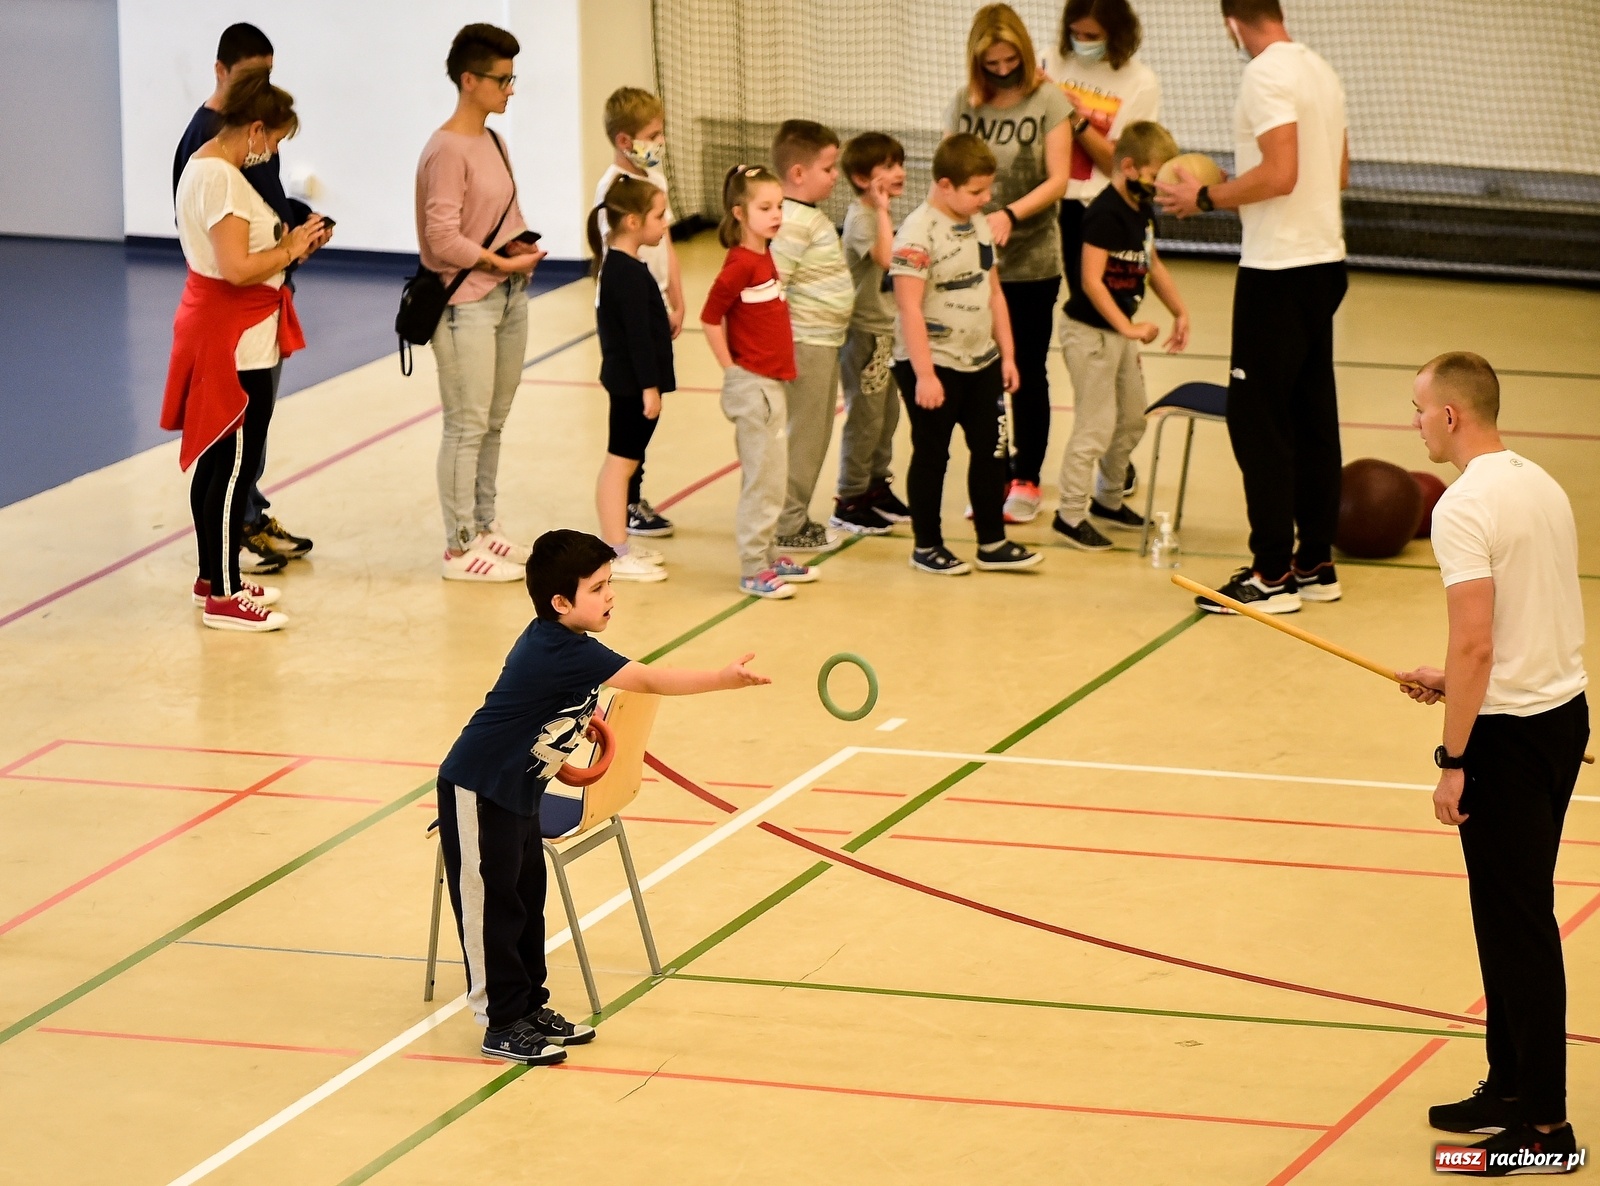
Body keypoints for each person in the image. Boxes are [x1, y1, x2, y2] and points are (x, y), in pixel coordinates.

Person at [436, 529, 772, 1065]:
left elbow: (542, 714)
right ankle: (499, 1023)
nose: (610, 595)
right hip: (479, 791)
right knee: (492, 911)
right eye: (598, 588)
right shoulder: (559, 650)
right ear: (561, 602)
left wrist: (574, 732)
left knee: (526, 902)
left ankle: (527, 1007)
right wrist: (724, 678)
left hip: (520, 791)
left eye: (609, 583)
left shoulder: (568, 651)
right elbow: (651, 679)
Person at [1398, 353, 1588, 1174]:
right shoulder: (1539, 481)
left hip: (1508, 743)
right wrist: (1460, 684)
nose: (1413, 422)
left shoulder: (1462, 506)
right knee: (1508, 917)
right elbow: (1516, 625)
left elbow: (1474, 638)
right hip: (1559, 717)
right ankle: (1509, 1088)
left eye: (1417, 409)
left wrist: (1455, 755)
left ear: (1451, 416)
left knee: (1519, 930)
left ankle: (1547, 1132)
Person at [1160, 0, 1349, 616]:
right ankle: (1314, 563)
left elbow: (1281, 173)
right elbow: (1337, 173)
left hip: (1278, 271)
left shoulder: (1265, 73)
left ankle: (1270, 575)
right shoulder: (1320, 69)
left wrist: (1205, 195)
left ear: (1232, 22)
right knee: (1312, 414)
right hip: (1324, 262)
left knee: (1258, 419)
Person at [164, 68, 327, 632]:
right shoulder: (223, 179)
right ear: (255, 129)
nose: (273, 152)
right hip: (235, 338)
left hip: (235, 331)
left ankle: (216, 576)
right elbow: (236, 269)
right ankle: (225, 597)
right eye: (275, 141)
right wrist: (291, 249)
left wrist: (287, 248)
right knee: (232, 465)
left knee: (218, 461)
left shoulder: (211, 169)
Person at [416, 23, 547, 582]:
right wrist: (498, 263)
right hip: (465, 303)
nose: (510, 89)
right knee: (466, 424)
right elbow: (442, 239)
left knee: (493, 420)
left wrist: (517, 250)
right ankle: (458, 544)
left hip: (507, 295)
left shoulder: (494, 140)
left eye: (513, 78)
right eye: (502, 79)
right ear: (469, 81)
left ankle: (485, 527)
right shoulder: (446, 150)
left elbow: (495, 219)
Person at [890, 134, 1041, 577]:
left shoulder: (976, 221)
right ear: (944, 184)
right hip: (933, 363)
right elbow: (908, 308)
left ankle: (992, 541)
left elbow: (993, 292)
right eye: (976, 191)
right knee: (933, 454)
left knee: (993, 451)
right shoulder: (917, 234)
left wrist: (1007, 355)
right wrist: (925, 375)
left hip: (982, 359)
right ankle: (927, 545)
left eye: (987, 190)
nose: (986, 198)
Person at [946, 3, 1072, 526]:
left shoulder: (1048, 100)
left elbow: (1058, 179)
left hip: (1032, 260)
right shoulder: (965, 103)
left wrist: (1009, 215)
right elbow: (951, 170)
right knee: (984, 372)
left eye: (1008, 61)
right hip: (976, 263)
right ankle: (991, 475)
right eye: (991, 63)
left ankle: (1027, 476)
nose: (1001, 70)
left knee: (1027, 370)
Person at [1052, 121, 1189, 550]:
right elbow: (1091, 281)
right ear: (1128, 167)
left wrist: (1178, 309)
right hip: (1089, 333)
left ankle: (1107, 500)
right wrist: (1127, 326)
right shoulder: (1105, 212)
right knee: (1095, 426)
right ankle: (1069, 516)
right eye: (1156, 176)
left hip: (1116, 334)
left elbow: (1151, 262)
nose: (1161, 187)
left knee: (1131, 419)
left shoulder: (1140, 209)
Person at [700, 165, 818, 600]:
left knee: (774, 473)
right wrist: (733, 371)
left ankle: (768, 555)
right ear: (739, 212)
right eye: (765, 207)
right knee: (761, 480)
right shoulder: (739, 264)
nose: (776, 214)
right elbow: (710, 318)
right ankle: (753, 567)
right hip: (753, 387)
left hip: (772, 384)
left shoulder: (764, 254)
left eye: (779, 206)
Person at [593, 86, 684, 540]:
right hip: (633, 337)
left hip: (652, 307)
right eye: (655, 134)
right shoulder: (616, 193)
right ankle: (623, 520)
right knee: (625, 446)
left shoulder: (652, 186)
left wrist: (675, 297)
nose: (660, 141)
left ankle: (631, 504)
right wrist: (650, 383)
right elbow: (627, 319)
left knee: (633, 442)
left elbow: (665, 245)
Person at [769, 120, 854, 554]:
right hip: (807, 344)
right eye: (828, 168)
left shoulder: (807, 218)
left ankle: (792, 515)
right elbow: (773, 286)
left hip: (823, 341)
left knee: (816, 432)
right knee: (807, 434)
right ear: (798, 173)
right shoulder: (791, 222)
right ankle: (788, 521)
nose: (835, 175)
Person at [1042, 0, 1161, 301]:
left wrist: (1076, 118)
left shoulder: (1140, 82)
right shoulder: (1049, 61)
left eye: (1092, 37)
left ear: (1115, 33)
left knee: (1098, 303)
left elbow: (1117, 165)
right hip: (1046, 199)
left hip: (1096, 206)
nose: (1081, 43)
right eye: (1075, 34)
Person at [587, 176, 672, 584]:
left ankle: (619, 544)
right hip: (631, 387)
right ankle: (615, 551)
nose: (666, 222)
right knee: (620, 466)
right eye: (659, 215)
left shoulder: (625, 267)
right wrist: (649, 387)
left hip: (631, 384)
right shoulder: (624, 272)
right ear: (634, 221)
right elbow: (635, 337)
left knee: (626, 463)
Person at [828, 132, 911, 537]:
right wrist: (881, 210)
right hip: (865, 336)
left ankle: (877, 485)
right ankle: (850, 497)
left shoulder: (878, 214)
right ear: (863, 179)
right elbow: (886, 258)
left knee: (887, 415)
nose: (900, 172)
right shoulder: (864, 217)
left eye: (900, 164)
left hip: (886, 333)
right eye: (888, 167)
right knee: (865, 417)